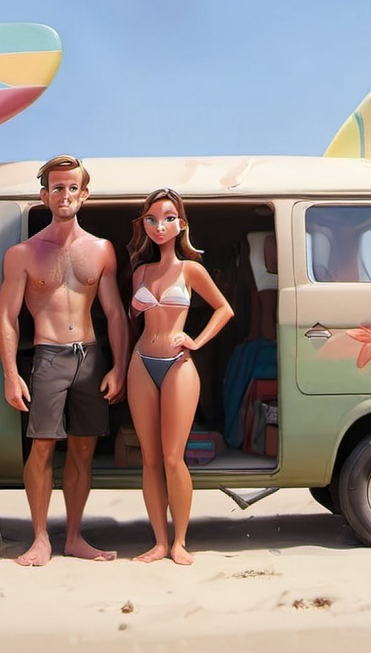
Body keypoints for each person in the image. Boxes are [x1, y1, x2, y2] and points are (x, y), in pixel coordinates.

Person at [0, 155, 129, 566]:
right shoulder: (22, 253)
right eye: (57, 188)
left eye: (73, 187)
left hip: (90, 356)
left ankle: (73, 536)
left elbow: (115, 313)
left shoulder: (102, 250)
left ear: (84, 194)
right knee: (42, 449)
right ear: (45, 195)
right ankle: (40, 538)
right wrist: (11, 375)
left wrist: (119, 367)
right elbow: (6, 318)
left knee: (84, 450)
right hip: (49, 357)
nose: (65, 194)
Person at [126, 188, 233, 564]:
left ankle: (180, 542)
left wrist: (197, 341)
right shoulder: (140, 270)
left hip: (178, 364)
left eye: (168, 218)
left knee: (174, 458)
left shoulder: (190, 269)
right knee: (150, 459)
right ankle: (158, 541)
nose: (160, 226)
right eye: (152, 219)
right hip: (141, 361)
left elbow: (224, 309)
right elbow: (129, 320)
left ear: (181, 224)